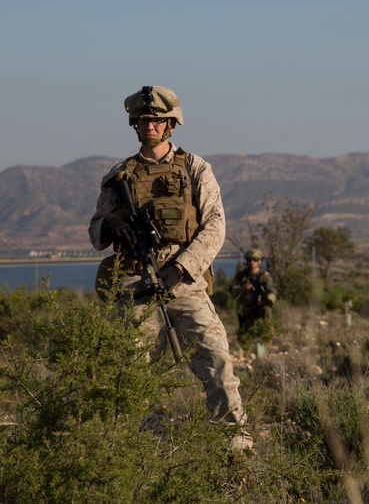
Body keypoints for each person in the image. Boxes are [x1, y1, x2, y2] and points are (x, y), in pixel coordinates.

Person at [89, 85, 250, 450]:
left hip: (184, 284)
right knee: (135, 374)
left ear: (170, 125)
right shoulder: (120, 176)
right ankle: (149, 449)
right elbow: (96, 231)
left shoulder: (195, 168)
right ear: (135, 123)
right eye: (144, 120)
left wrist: (180, 269)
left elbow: (215, 226)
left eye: (157, 120)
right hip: (136, 286)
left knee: (216, 361)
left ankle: (234, 443)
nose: (150, 126)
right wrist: (111, 226)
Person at [231, 248, 277, 340]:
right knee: (246, 335)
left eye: (255, 260)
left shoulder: (264, 276)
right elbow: (232, 290)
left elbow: (273, 292)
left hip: (260, 306)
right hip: (247, 307)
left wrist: (265, 300)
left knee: (267, 311)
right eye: (249, 260)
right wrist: (243, 288)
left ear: (260, 261)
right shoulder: (242, 275)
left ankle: (268, 338)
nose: (252, 262)